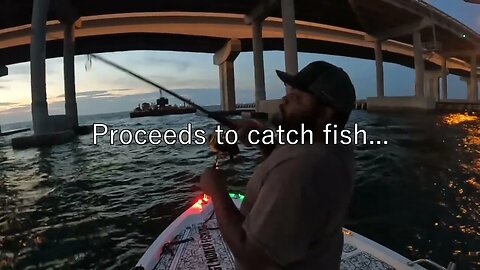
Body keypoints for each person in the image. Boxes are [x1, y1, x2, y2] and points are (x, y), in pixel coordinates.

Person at [198, 61, 356, 270]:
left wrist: (217, 190)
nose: (285, 99)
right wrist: (263, 141)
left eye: (297, 98)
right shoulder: (332, 149)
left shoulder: (304, 167)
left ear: (325, 114)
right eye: (289, 93)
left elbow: (254, 257)